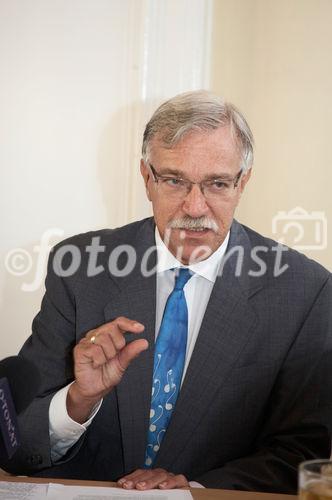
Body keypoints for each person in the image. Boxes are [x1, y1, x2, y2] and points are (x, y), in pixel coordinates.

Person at [2, 91, 332, 493]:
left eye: (217, 184)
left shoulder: (305, 290)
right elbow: (17, 439)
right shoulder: (79, 266)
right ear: (147, 178)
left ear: (242, 182)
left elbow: (302, 452)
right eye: (175, 180)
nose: (195, 207)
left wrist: (192, 487)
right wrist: (78, 400)